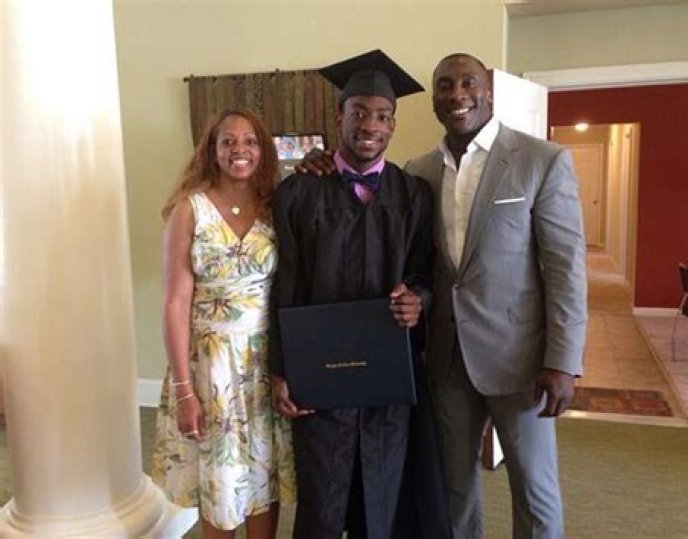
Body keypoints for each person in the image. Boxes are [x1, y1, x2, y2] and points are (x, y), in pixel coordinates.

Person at [297, 53, 587, 539]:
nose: (458, 95)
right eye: (446, 86)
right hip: (447, 362)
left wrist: (564, 360)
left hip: (519, 361)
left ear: (488, 91)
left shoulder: (541, 160)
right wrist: (319, 163)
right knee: (453, 492)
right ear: (433, 100)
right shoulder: (419, 174)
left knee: (534, 492)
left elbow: (565, 268)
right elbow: (419, 266)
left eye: (469, 83)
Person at [269, 49, 450, 539]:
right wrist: (280, 370)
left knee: (383, 491)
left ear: (393, 125)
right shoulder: (298, 194)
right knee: (322, 496)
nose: (370, 124)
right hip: (319, 374)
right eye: (359, 113)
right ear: (339, 118)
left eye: (382, 116)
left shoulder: (413, 194)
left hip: (386, 373)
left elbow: (424, 273)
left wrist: (419, 299)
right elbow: (283, 285)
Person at [152, 109, 295, 539]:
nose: (239, 150)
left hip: (264, 362)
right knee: (220, 480)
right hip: (210, 368)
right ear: (211, 151)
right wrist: (184, 391)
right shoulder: (190, 210)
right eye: (227, 141)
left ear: (262, 150)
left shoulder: (275, 206)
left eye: (249, 141)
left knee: (262, 477)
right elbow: (175, 303)